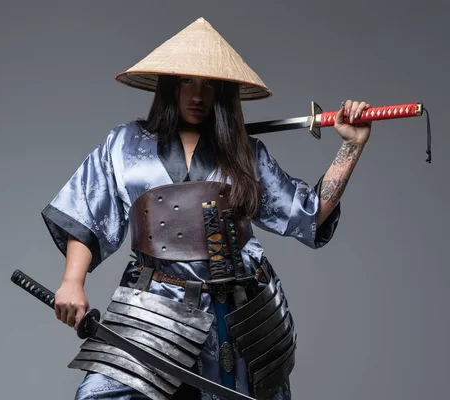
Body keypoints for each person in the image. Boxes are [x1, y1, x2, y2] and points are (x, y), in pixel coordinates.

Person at [41, 18, 371, 400]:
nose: (197, 95)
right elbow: (87, 214)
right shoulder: (125, 144)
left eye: (209, 84)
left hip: (235, 311)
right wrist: (72, 282)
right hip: (153, 305)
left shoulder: (246, 153)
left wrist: (352, 146)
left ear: (223, 92)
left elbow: (308, 216)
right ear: (169, 86)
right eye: (186, 82)